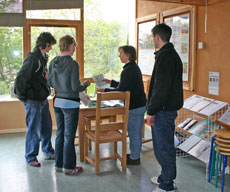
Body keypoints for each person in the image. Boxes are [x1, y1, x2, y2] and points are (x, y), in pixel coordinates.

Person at [146, 23, 184, 192]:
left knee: (164, 147)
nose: (152, 39)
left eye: (152, 36)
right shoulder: (168, 54)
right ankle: (165, 176)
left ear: (157, 37)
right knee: (163, 146)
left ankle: (167, 184)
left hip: (163, 110)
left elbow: (160, 89)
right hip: (164, 109)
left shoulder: (166, 57)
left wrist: (151, 111)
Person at [48, 35, 90, 175]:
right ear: (70, 45)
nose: (75, 48)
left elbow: (50, 83)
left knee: (60, 134)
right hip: (70, 104)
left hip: (58, 102)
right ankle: (69, 168)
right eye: (74, 45)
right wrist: (85, 84)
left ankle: (59, 166)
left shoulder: (53, 62)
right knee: (69, 137)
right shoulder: (73, 64)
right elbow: (75, 87)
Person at [97, 45, 146, 165]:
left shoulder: (129, 70)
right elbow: (125, 85)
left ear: (128, 55)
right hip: (140, 104)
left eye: (121, 53)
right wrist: (111, 82)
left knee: (134, 132)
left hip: (134, 106)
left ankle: (135, 158)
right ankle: (135, 154)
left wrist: (105, 91)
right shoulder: (132, 68)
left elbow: (122, 90)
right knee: (136, 132)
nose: (119, 56)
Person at [14, 32, 57, 167]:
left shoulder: (43, 58)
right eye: (50, 45)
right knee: (34, 129)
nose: (51, 48)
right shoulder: (33, 59)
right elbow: (21, 78)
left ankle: (48, 151)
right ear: (46, 44)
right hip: (32, 100)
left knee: (46, 126)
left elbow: (39, 78)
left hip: (42, 99)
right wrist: (24, 97)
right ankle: (31, 156)